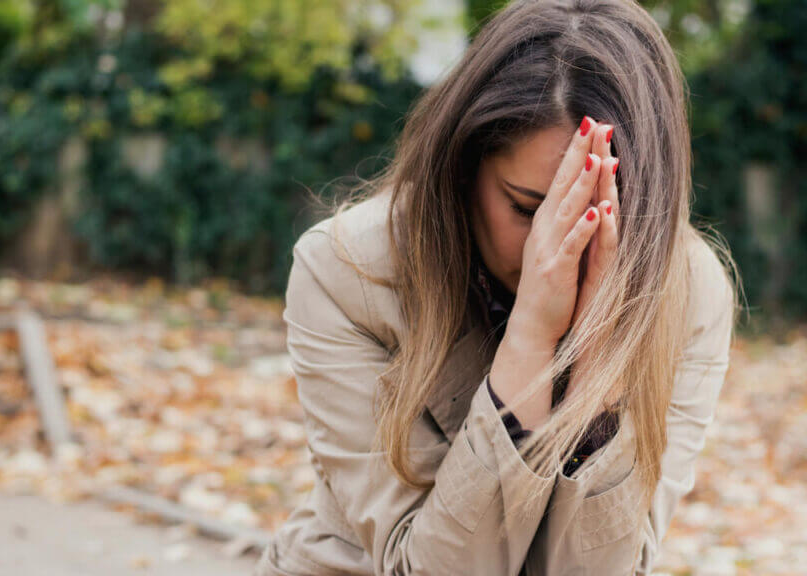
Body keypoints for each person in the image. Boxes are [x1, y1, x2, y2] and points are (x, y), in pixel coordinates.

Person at [254, 0, 741, 574]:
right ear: (465, 166)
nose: (555, 252)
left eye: (601, 219)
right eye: (528, 208)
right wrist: (531, 338)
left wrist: (601, 357)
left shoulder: (688, 293)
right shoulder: (347, 272)